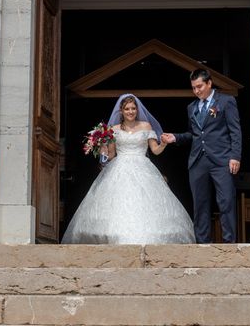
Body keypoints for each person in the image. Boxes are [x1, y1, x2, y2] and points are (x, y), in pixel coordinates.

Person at [62, 94, 195, 244]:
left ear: (137, 110)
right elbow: (111, 155)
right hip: (119, 167)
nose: (130, 111)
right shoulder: (114, 129)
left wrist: (163, 143)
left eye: (133, 108)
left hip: (143, 167)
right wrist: (103, 149)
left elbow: (155, 150)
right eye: (127, 109)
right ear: (121, 111)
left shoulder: (146, 126)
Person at [162, 69, 241, 243]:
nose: (197, 91)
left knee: (226, 201)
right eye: (193, 88)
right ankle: (203, 243)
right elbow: (194, 134)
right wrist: (176, 137)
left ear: (209, 83)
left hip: (222, 160)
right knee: (200, 204)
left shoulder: (226, 102)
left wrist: (235, 156)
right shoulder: (191, 107)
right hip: (198, 161)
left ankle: (229, 243)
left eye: (199, 87)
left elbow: (235, 131)